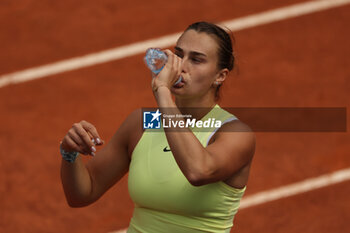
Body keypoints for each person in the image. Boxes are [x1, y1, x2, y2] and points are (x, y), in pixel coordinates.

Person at [60, 21, 256, 233]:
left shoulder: (233, 132)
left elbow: (198, 170)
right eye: (178, 54)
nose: (180, 66)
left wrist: (163, 91)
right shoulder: (141, 124)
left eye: (197, 60)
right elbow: (82, 193)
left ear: (220, 76)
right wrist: (69, 154)